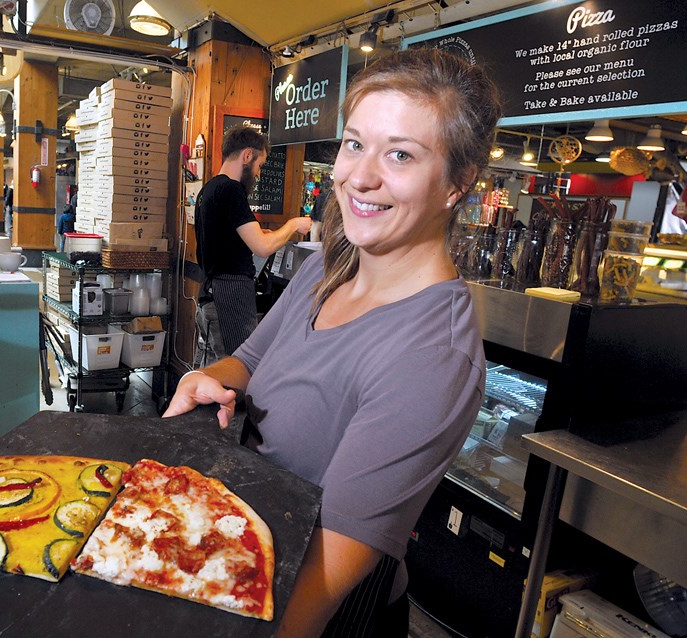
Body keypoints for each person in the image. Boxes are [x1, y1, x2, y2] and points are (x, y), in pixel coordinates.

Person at [165, 47, 501, 636]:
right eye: (354, 143)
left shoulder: (432, 358)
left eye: (401, 154)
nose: (360, 176)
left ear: (458, 183)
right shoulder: (330, 268)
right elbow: (249, 360)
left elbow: (315, 592)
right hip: (241, 553)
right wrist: (205, 379)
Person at [194, 124, 312, 357]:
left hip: (210, 293)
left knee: (212, 376)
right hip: (231, 295)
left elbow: (238, 238)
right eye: (260, 165)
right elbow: (262, 247)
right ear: (247, 155)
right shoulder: (231, 190)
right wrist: (293, 225)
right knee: (237, 370)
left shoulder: (209, 189)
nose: (258, 173)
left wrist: (267, 234)